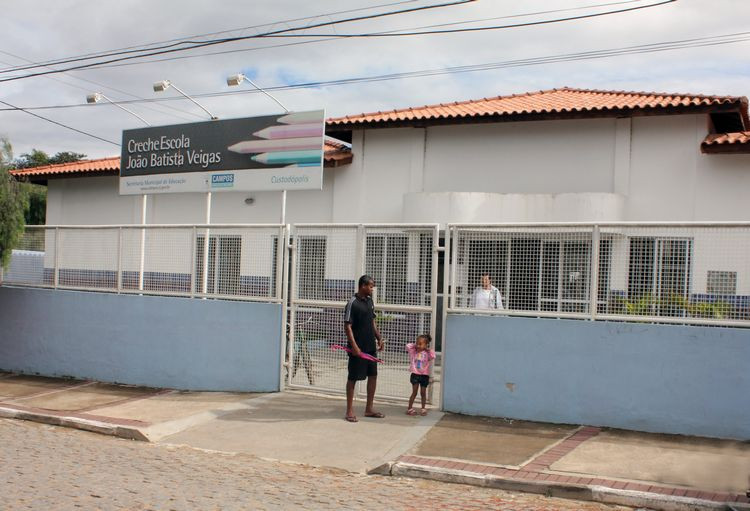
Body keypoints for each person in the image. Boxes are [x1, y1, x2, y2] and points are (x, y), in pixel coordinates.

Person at [343, 274, 385, 423]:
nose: (372, 289)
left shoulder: (370, 301)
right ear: (363, 286)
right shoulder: (352, 303)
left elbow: (372, 322)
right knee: (353, 378)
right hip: (357, 349)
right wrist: (354, 347)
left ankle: (369, 408)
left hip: (370, 347)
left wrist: (379, 338)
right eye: (370, 286)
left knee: (373, 376)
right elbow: (347, 326)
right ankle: (349, 410)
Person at [406, 334, 436, 416]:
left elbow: (433, 355)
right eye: (417, 343)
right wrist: (415, 345)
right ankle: (409, 408)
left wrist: (427, 349)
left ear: (425, 345)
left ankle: (423, 408)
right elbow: (408, 346)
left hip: (424, 375)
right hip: (415, 374)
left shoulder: (427, 353)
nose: (418, 345)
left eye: (420, 344)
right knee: (414, 392)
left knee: (423, 392)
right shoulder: (413, 351)